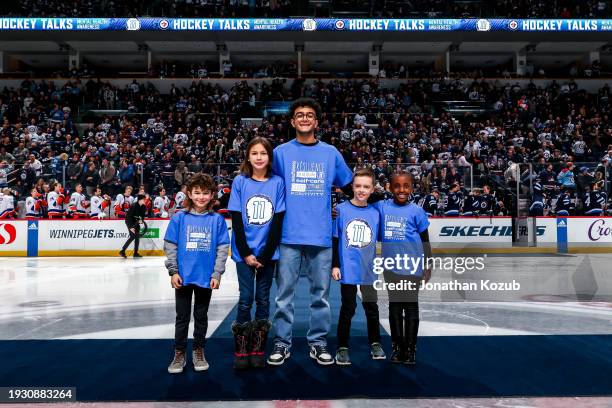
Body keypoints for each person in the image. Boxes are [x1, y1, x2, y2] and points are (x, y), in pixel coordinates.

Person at [268, 98, 353, 366]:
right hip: (288, 236)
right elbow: (267, 187)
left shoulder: (330, 153)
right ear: (293, 121)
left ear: (316, 122)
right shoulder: (280, 153)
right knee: (284, 296)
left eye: (310, 115)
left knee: (321, 296)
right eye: (300, 115)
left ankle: (318, 342)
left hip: (321, 235)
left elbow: (350, 188)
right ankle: (282, 343)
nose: (305, 118)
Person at [228, 137, 285, 370]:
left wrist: (264, 255)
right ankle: (241, 347)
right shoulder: (240, 182)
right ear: (248, 157)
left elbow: (278, 221)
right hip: (244, 253)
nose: (259, 157)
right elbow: (237, 219)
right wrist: (246, 253)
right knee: (245, 298)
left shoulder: (278, 182)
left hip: (267, 254)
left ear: (269, 157)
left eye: (263, 153)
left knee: (263, 298)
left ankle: (258, 346)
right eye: (254, 153)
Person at [163, 173, 230, 374]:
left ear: (212, 196)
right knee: (182, 317)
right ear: (189, 194)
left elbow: (222, 248)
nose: (201, 197)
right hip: (182, 277)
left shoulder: (217, 220)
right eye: (197, 193)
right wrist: (173, 271)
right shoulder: (179, 218)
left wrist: (216, 274)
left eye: (206, 193)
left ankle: (199, 350)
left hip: (205, 277)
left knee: (201, 316)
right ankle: (179, 352)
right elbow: (170, 246)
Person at [373, 171, 432, 365]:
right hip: (391, 267)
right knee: (395, 307)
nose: (401, 190)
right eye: (397, 185)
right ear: (390, 187)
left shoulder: (416, 211)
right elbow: (362, 205)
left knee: (411, 307)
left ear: (412, 188)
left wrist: (428, 264)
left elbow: (425, 240)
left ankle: (411, 349)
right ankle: (398, 348)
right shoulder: (381, 207)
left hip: (412, 267)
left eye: (406, 186)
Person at [331, 168, 385, 365]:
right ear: (351, 187)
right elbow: (335, 240)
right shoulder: (341, 210)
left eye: (366, 187)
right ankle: (342, 346)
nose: (361, 190)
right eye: (358, 186)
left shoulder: (376, 212)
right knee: (348, 308)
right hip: (348, 268)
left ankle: (375, 342)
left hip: (368, 269)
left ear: (372, 189)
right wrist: (335, 265)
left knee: (371, 307)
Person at [119, 194, 147, 258]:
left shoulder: (143, 207)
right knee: (132, 236)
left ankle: (135, 253)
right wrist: (130, 227)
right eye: (144, 199)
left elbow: (142, 216)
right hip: (130, 222)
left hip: (136, 222)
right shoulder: (133, 206)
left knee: (137, 237)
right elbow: (128, 217)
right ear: (140, 200)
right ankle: (122, 251)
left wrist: (141, 220)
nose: (145, 200)